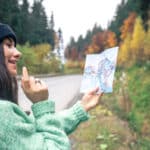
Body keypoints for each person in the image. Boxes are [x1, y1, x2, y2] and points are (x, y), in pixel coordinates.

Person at [0, 23, 103, 150]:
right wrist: (41, 103)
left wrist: (82, 107)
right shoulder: (2, 114)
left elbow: (36, 125)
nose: (18, 53)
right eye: (8, 45)